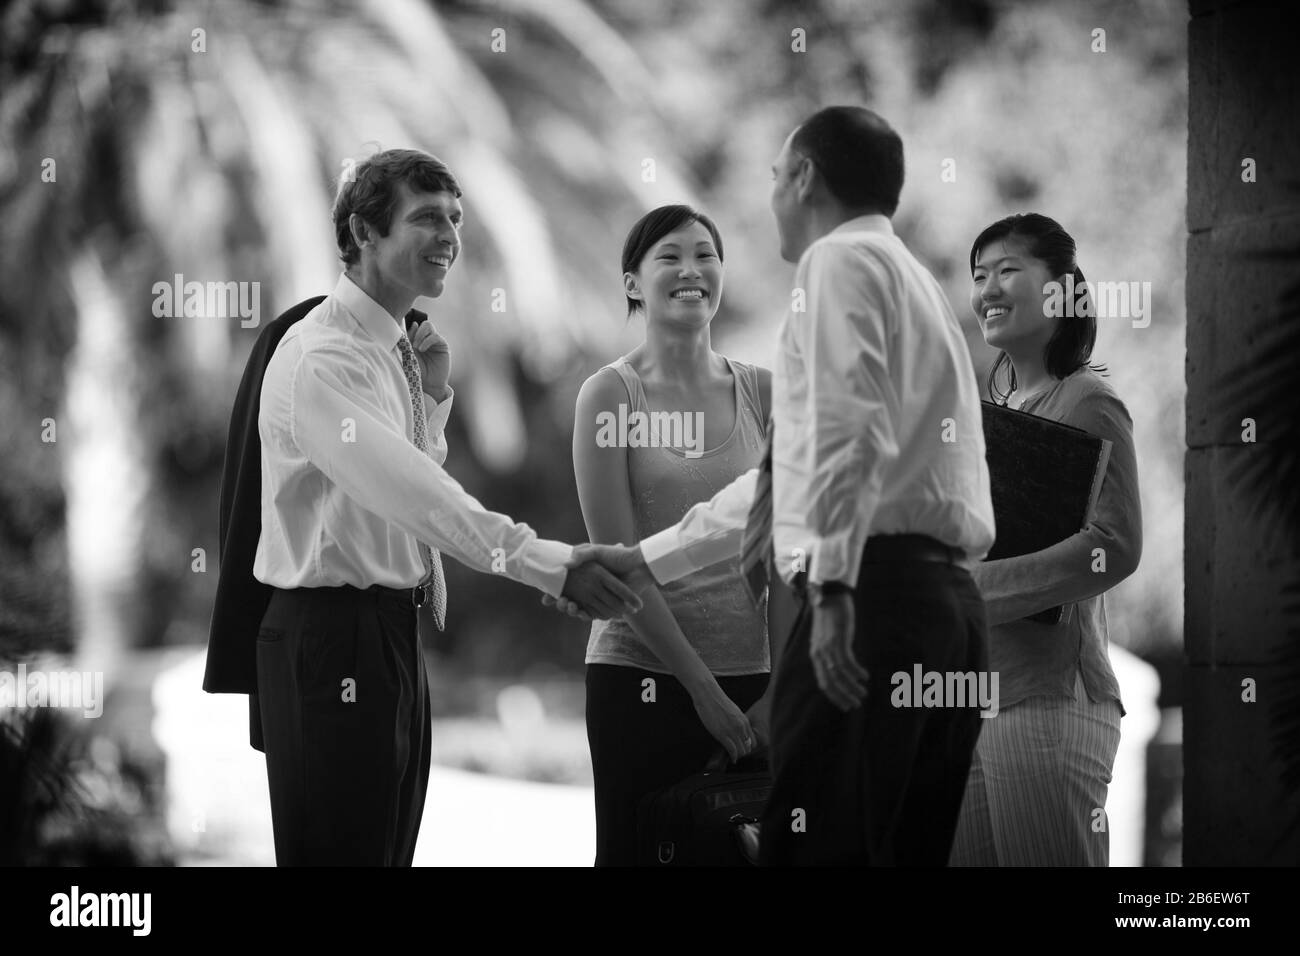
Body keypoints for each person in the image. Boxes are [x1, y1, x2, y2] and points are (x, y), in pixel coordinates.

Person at [562, 107, 996, 865]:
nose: (770, 200)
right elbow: (779, 484)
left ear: (803, 177)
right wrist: (648, 559)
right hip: (948, 612)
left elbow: (844, 438)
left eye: (773, 178)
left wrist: (829, 593)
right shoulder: (917, 280)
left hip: (874, 603)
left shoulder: (838, 265)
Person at [211, 148, 642, 866]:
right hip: (333, 640)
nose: (450, 236)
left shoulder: (391, 352)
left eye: (456, 219)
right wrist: (549, 564)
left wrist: (430, 400)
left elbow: (395, 483)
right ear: (364, 233)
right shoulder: (322, 355)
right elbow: (414, 495)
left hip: (386, 635)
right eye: (426, 218)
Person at [573, 204, 772, 866]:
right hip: (643, 680)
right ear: (633, 283)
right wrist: (702, 690)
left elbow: (792, 550)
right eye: (669, 257)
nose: (692, 270)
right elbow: (621, 563)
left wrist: (781, 689)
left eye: (705, 255)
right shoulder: (609, 395)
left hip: (758, 686)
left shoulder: (766, 393)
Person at [950, 213, 1141, 866]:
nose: (988, 289)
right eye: (979, 275)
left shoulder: (1088, 399)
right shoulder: (997, 418)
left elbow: (1114, 544)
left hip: (1050, 710)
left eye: (1008, 270)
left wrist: (974, 591)